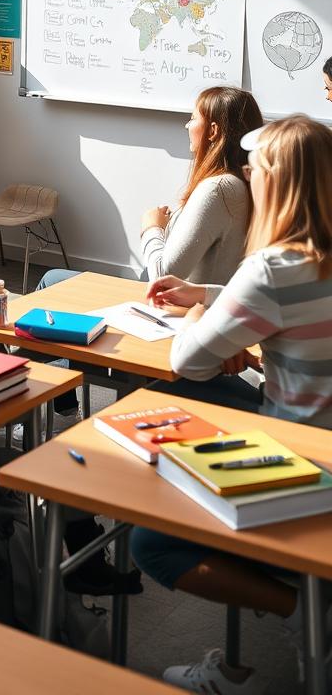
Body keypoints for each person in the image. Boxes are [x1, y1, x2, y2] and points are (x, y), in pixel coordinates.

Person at [132, 115, 332, 693]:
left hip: (302, 472)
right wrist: (214, 296)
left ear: (276, 181)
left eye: (256, 167)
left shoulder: (271, 268)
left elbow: (187, 362)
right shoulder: (304, 263)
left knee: (153, 542)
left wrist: (199, 313)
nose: (247, 173)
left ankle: (300, 609)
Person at [141, 86, 263, 285]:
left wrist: (152, 228)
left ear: (213, 130)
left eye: (193, 118)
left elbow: (164, 276)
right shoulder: (246, 182)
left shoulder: (219, 188)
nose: (187, 126)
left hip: (195, 311)